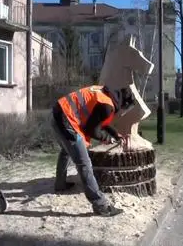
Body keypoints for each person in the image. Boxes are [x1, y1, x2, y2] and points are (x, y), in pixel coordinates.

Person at [50, 85, 134, 217]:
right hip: (67, 119)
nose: (123, 114)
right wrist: (106, 138)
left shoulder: (106, 94)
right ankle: (101, 205)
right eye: (126, 111)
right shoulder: (107, 106)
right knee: (84, 164)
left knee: (67, 150)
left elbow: (100, 121)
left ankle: (60, 184)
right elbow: (92, 129)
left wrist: (115, 134)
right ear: (124, 105)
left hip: (59, 112)